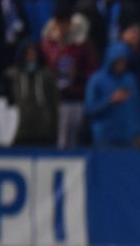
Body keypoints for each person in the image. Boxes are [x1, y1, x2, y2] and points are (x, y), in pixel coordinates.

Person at [40, 9, 97, 148]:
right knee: (57, 138)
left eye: (66, 23)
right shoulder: (47, 44)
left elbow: (91, 69)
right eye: (59, 23)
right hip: (52, 98)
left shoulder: (81, 44)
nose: (62, 27)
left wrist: (77, 75)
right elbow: (42, 68)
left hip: (75, 97)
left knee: (73, 137)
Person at [84, 41, 140, 148]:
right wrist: (110, 100)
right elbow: (89, 108)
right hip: (104, 137)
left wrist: (138, 132)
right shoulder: (96, 79)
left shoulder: (130, 79)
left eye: (124, 61)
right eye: (118, 61)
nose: (121, 64)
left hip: (127, 138)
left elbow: (136, 108)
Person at [4, 39, 58, 146]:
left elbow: (54, 104)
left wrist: (53, 129)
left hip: (44, 131)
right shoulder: (11, 76)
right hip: (18, 131)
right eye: (28, 54)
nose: (31, 58)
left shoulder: (47, 76)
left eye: (34, 54)